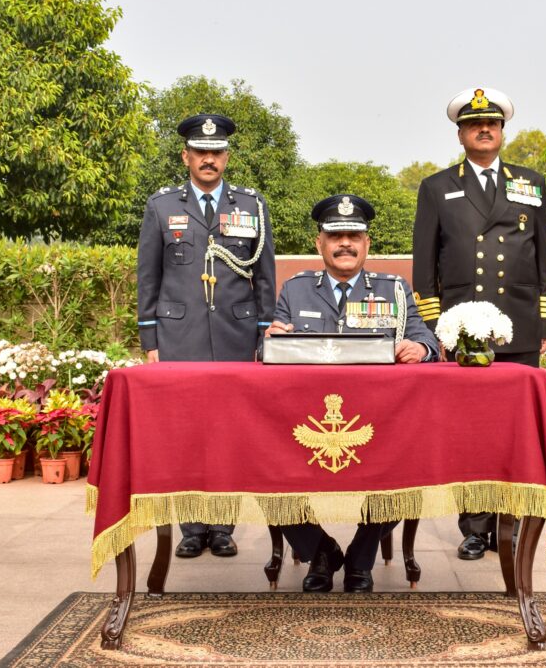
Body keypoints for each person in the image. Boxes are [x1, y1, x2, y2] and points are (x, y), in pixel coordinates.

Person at [411, 87, 546, 561]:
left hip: (517, 324)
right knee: (471, 431)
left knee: (516, 431)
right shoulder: (437, 187)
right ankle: (475, 528)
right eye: (475, 125)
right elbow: (424, 260)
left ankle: (510, 521)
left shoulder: (530, 184)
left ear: (502, 131)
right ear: (461, 134)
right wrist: (436, 324)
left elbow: (544, 257)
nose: (485, 129)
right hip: (463, 327)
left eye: (492, 124)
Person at [265, 194, 438, 592]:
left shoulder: (394, 289)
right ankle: (320, 549)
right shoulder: (296, 289)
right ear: (319, 244)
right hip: (304, 421)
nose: (345, 243)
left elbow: (425, 339)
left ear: (367, 244)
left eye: (354, 235)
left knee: (408, 469)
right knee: (262, 469)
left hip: (377, 422)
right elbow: (269, 350)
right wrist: (271, 340)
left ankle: (361, 556)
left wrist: (421, 349)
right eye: (335, 235)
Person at [136, 113, 276, 558]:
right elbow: (148, 276)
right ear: (186, 157)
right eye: (200, 152)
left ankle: (223, 526)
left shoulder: (251, 205)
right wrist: (150, 340)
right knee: (187, 431)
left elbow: (265, 276)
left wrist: (263, 334)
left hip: (236, 334)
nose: (208, 159)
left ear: (227, 158)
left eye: (216, 153)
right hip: (180, 335)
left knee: (230, 432)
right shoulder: (162, 206)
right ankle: (192, 528)